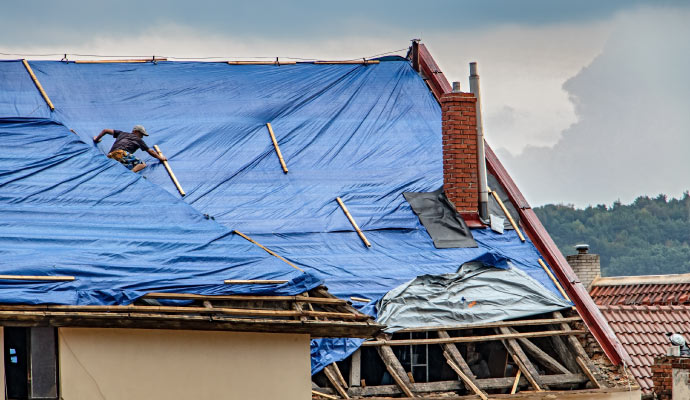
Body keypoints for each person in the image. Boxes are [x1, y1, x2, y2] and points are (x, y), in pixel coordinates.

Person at [93, 125, 166, 173]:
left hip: (110, 156)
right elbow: (150, 151)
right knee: (142, 164)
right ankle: (130, 174)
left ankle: (127, 171)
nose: (142, 137)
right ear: (135, 131)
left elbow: (105, 130)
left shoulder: (122, 133)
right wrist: (160, 158)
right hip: (121, 153)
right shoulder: (138, 140)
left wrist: (96, 139)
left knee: (125, 164)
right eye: (141, 134)